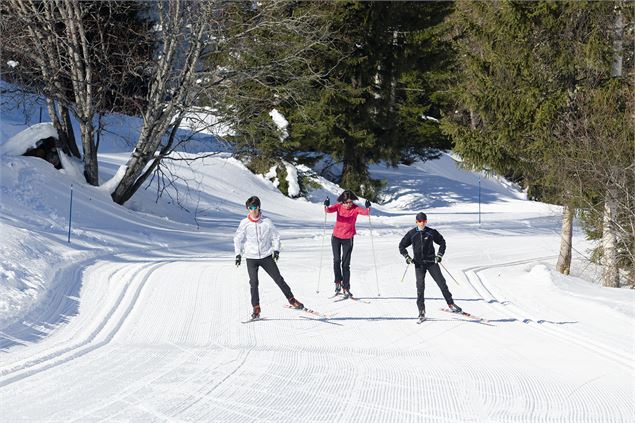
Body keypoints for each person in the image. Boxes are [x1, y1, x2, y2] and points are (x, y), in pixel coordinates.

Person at [234, 196, 304, 319]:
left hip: (266, 256)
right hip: (251, 257)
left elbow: (275, 236)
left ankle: (291, 299)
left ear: (259, 207)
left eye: (255, 207)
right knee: (253, 283)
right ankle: (256, 308)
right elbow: (237, 239)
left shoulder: (267, 222)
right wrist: (238, 254)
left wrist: (276, 250)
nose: (253, 211)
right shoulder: (244, 223)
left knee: (278, 279)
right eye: (250, 208)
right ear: (248, 209)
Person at [398, 212, 462, 321]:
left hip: (432, 262)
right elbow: (401, 246)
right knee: (420, 287)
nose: (421, 223)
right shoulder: (412, 233)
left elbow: (442, 242)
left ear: (426, 221)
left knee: (442, 283)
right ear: (416, 222)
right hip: (419, 264)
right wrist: (407, 257)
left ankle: (451, 304)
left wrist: (439, 255)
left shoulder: (431, 232)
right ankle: (421, 311)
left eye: (423, 221)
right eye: (419, 221)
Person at [323, 189, 371, 298]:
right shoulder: (339, 206)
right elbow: (328, 210)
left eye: (350, 202)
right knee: (336, 260)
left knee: (345, 264)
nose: (348, 204)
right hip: (336, 237)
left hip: (348, 239)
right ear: (342, 201)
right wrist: (326, 205)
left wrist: (368, 206)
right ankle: (337, 283)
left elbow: (366, 212)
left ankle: (346, 287)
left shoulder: (355, 209)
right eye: (346, 202)